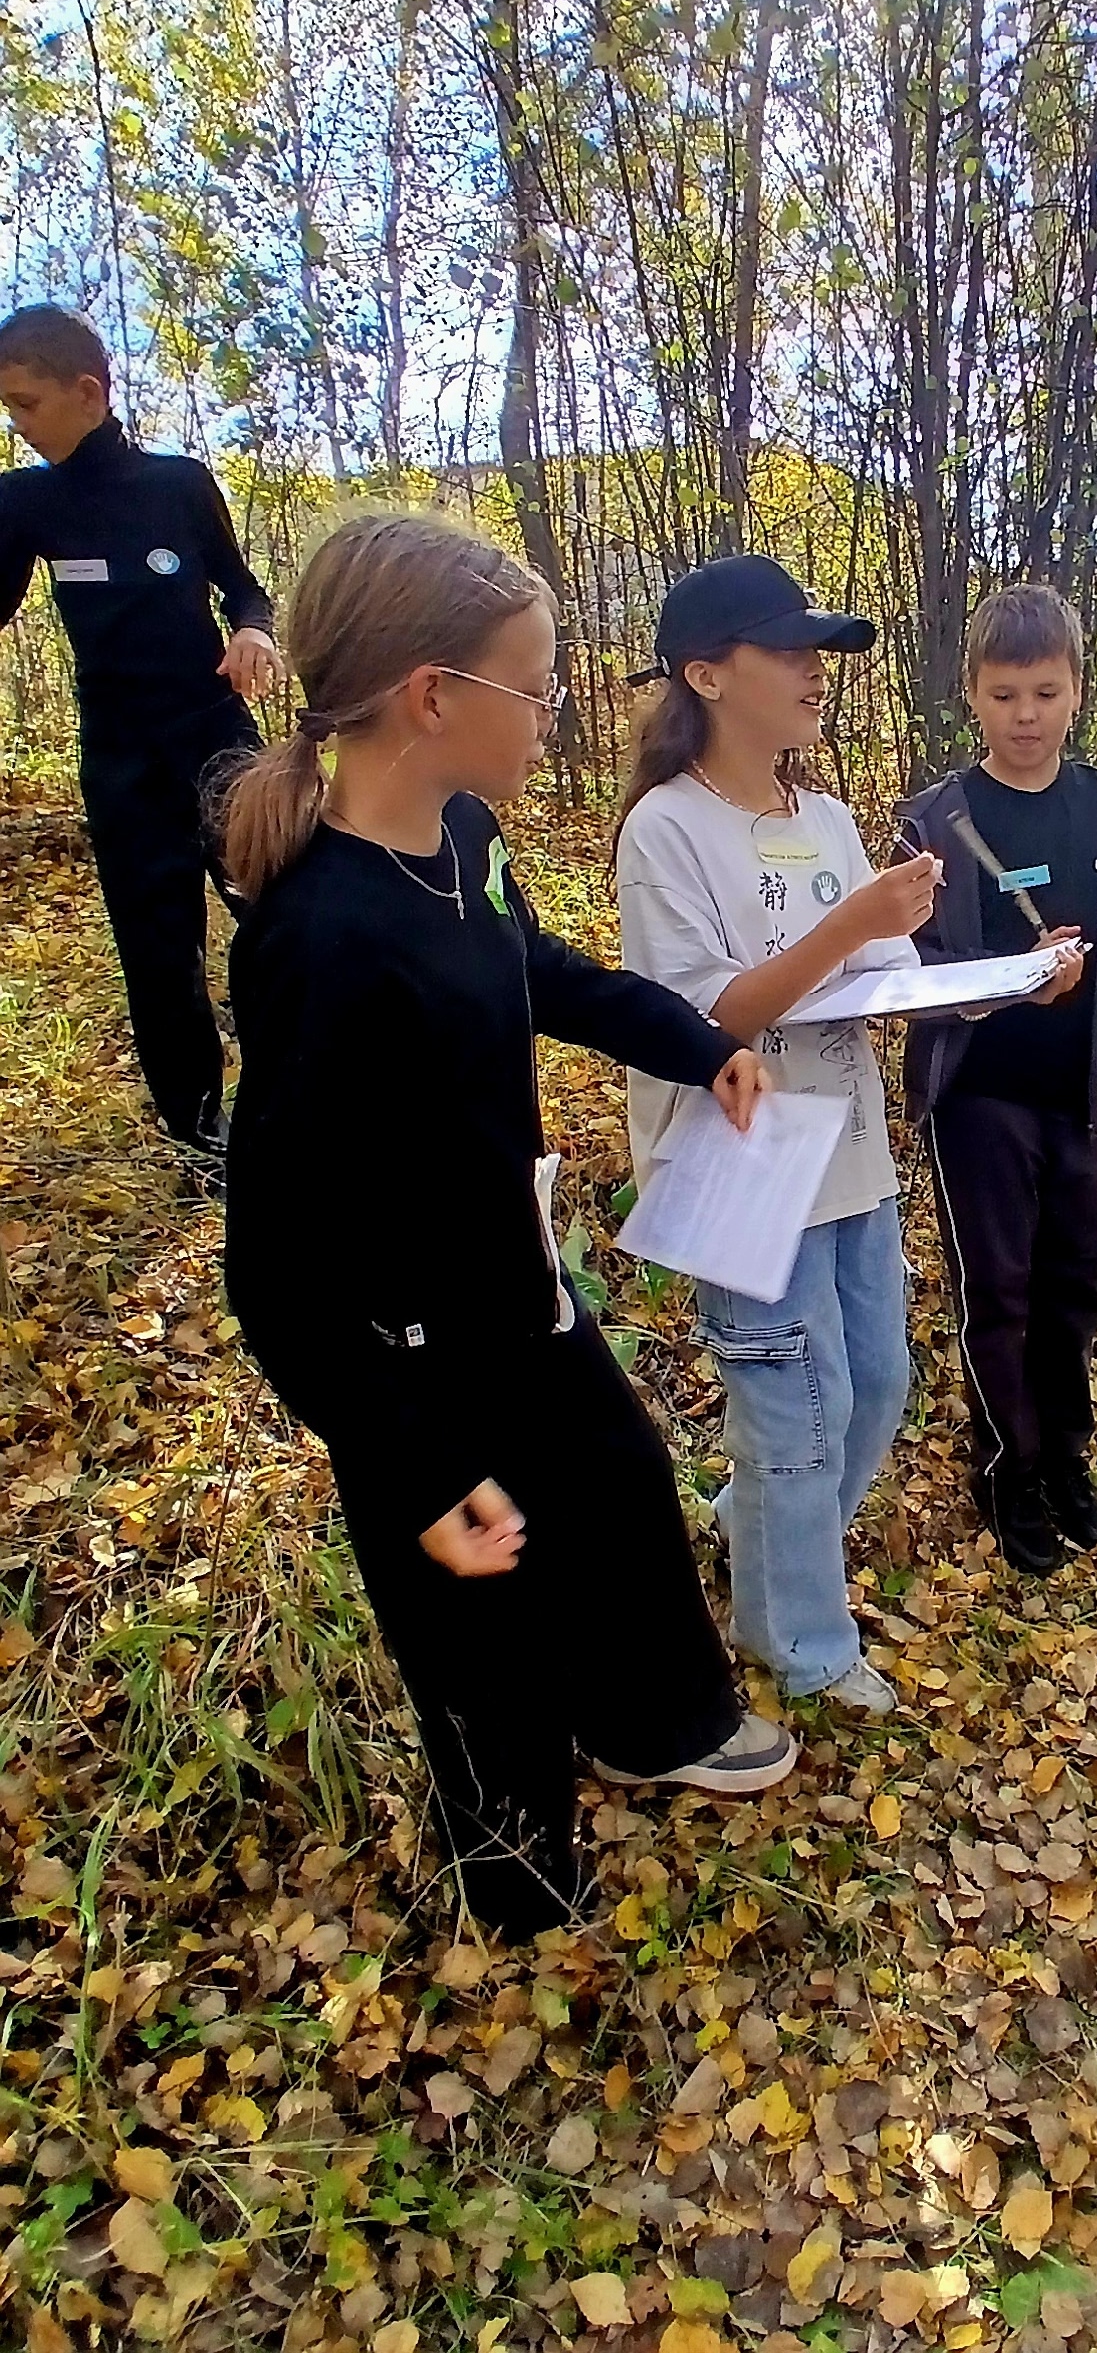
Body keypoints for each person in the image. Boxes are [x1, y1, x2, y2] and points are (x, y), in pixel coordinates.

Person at [221, 512, 796, 1941]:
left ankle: (651, 1724)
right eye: (533, 690)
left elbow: (538, 970)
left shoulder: (464, 839)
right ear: (433, 696)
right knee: (481, 1642)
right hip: (407, 1363)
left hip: (518, 1294)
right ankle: (524, 1899)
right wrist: (414, 1468)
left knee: (621, 1483)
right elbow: (275, 1264)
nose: (552, 715)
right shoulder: (320, 938)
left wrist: (693, 1044)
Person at [617, 554, 938, 1716]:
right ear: (706, 674)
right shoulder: (667, 828)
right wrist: (851, 922)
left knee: (878, 1385)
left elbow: (889, 977)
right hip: (742, 1159)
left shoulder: (829, 818)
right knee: (799, 1412)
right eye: (789, 650)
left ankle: (754, 1532)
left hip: (850, 1151)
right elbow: (703, 1017)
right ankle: (798, 1640)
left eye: (821, 652)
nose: (815, 671)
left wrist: (1005, 983)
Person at [898, 583, 1097, 1576]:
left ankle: (1065, 1459)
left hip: (1081, 1093)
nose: (1026, 715)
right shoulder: (934, 822)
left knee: (1075, 1290)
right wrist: (1013, 979)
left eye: (1046, 693)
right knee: (1000, 1294)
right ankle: (1006, 1473)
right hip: (979, 1097)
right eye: (1005, 694)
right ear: (972, 695)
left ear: (1077, 693)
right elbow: (907, 972)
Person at [0, 305, 282, 1165]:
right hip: (121, 762)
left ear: (88, 394)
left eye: (26, 405)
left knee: (280, 915)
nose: (17, 425)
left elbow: (244, 588)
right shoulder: (24, 501)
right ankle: (199, 1141)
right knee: (159, 955)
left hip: (216, 741)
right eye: (8, 409)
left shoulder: (180, 485)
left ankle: (297, 1098)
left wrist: (254, 631)